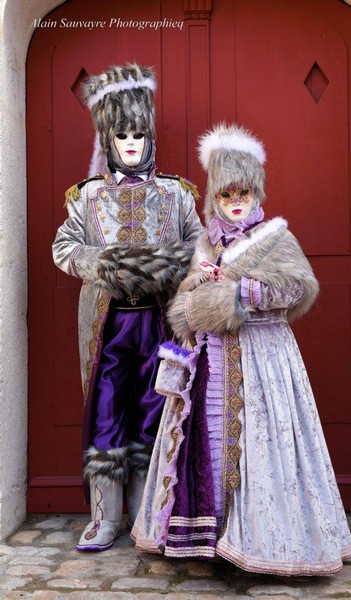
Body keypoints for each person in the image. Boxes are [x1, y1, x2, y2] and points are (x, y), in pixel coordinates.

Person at [131, 123, 351, 575]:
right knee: (206, 447)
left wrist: (237, 295)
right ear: (214, 198)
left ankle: (259, 542)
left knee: (259, 444)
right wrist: (198, 296)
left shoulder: (275, 239)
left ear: (255, 194)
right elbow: (185, 303)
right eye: (226, 194)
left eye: (243, 194)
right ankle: (206, 542)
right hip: (209, 366)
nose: (235, 202)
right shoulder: (206, 244)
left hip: (263, 360)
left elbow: (297, 288)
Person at [52, 62, 203, 552]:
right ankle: (104, 516)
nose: (132, 143)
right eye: (122, 135)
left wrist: (168, 266)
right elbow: (64, 249)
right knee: (106, 410)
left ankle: (147, 514)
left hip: (159, 322)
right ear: (109, 137)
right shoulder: (88, 197)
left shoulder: (177, 194)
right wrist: (111, 264)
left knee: (154, 410)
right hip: (107, 321)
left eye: (139, 133)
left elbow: (202, 248)